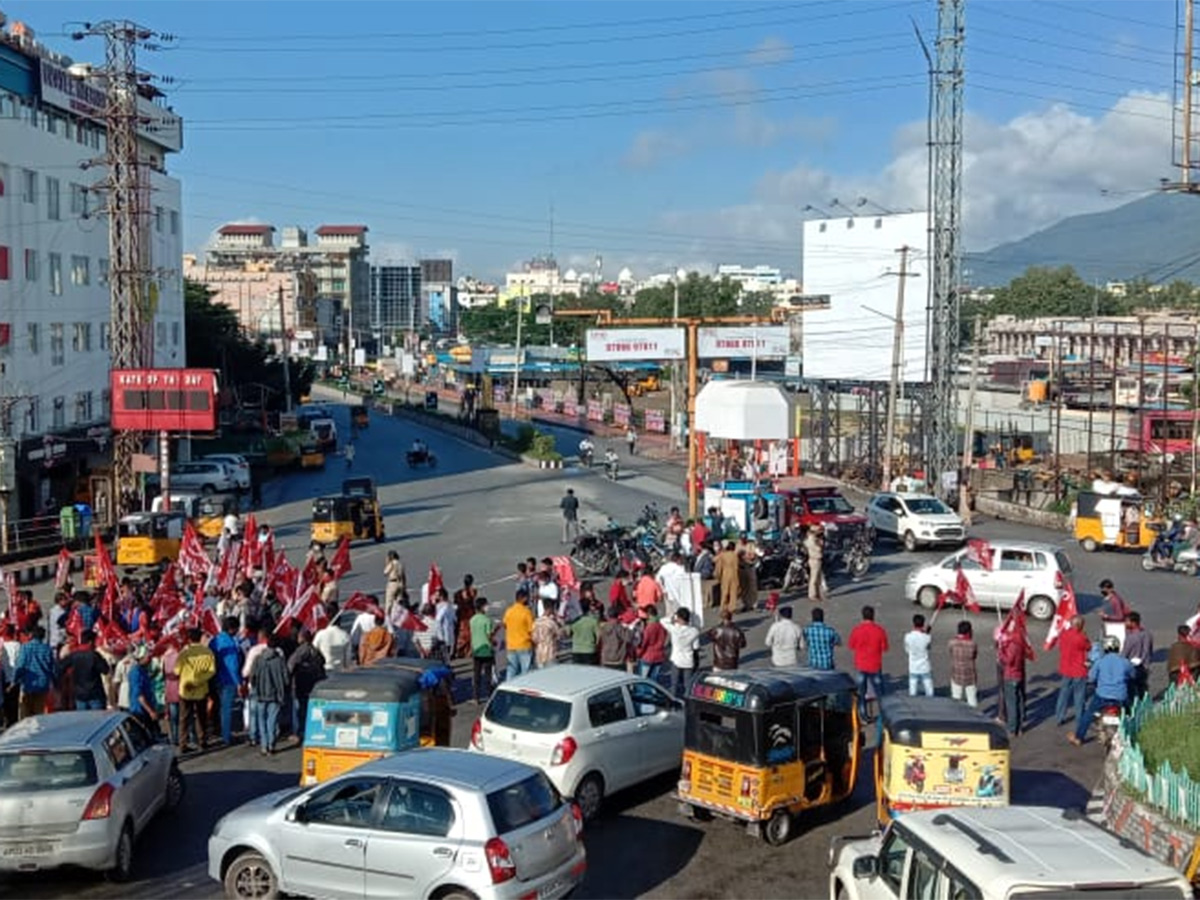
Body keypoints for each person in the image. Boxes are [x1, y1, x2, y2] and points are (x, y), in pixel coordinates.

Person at [1069, 636, 1134, 746]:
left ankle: (1079, 737)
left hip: (1102, 696)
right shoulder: (1125, 662)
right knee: (1129, 713)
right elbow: (1133, 675)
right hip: (1120, 697)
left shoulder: (1100, 662)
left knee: (1088, 715)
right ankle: (1132, 735)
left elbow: (1091, 677)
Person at [176, 628, 216, 751]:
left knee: (184, 718)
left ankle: (182, 743)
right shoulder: (208, 652)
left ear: (189, 639)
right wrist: (198, 681)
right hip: (201, 689)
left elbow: (176, 671)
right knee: (201, 717)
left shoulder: (184, 653)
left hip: (185, 689)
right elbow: (211, 671)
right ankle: (202, 740)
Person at [250, 633, 290, 756]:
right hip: (276, 695)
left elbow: (252, 677)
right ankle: (271, 745)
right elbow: (286, 679)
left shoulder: (258, 659)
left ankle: (264, 745)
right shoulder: (280, 660)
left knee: (261, 720)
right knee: (272, 720)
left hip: (260, 694)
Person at [848, 606, 889, 720]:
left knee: (861, 692)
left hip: (861, 665)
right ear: (873, 616)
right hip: (875, 665)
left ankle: (863, 715)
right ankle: (883, 714)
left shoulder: (857, 630)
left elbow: (851, 645)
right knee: (880, 693)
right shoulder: (880, 630)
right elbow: (885, 648)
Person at [209, 616, 243, 746]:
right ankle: (226, 736)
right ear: (232, 629)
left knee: (220, 708)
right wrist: (238, 682)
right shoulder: (231, 643)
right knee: (226, 709)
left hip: (216, 678)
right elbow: (233, 666)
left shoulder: (215, 640)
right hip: (229, 680)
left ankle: (222, 732)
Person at [288, 629, 326, 739]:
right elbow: (323, 661)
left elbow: (290, 665)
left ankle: (298, 731)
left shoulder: (300, 651)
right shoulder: (315, 650)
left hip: (301, 683)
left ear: (302, 638)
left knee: (299, 708)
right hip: (313, 683)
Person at [1054, 615, 1091, 725]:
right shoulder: (1081, 637)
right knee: (1079, 696)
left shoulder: (1064, 634)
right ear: (1080, 626)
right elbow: (1088, 647)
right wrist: (1085, 635)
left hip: (1066, 668)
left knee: (1063, 694)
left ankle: (1059, 717)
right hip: (1079, 669)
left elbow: (1060, 646)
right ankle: (1080, 718)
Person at [61, 629, 110, 711]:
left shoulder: (74, 655)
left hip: (79, 695)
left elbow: (61, 667)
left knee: (83, 721)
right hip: (95, 694)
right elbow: (105, 670)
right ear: (91, 642)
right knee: (97, 721)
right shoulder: (95, 656)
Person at [998, 626, 1034, 736]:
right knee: (1019, 701)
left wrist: (1001, 652)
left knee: (1011, 704)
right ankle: (1020, 727)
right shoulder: (1021, 643)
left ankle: (1013, 728)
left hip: (1011, 675)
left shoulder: (1012, 646)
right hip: (1019, 675)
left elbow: (1008, 661)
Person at [14, 627, 56, 720]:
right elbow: (52, 667)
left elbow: (21, 664)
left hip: (28, 683)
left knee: (25, 713)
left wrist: (15, 679)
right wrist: (55, 682)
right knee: (38, 713)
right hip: (43, 684)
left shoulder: (25, 647)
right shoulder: (47, 649)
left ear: (32, 635)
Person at [662, 608, 700, 698]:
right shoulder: (694, 631)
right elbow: (695, 647)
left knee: (674, 684)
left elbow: (662, 621)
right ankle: (687, 703)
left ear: (679, 618)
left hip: (676, 659)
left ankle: (673, 703)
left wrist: (673, 618)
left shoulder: (674, 629)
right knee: (688, 685)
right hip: (688, 660)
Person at [503, 590, 536, 679]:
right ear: (523, 598)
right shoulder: (526, 612)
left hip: (511, 645)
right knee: (525, 673)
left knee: (511, 671)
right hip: (524, 645)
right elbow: (531, 630)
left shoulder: (509, 611)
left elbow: (505, 624)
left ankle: (508, 689)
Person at [1121, 610, 1153, 701]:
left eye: (1127, 621)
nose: (1125, 623)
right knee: (1142, 689)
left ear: (1133, 623)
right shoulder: (1147, 634)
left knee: (1131, 691)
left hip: (1131, 667)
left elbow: (1124, 654)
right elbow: (1148, 650)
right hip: (1144, 666)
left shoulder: (1131, 638)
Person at [469, 598, 497, 703]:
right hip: (486, 649)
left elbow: (473, 634)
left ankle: (476, 697)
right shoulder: (487, 620)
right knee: (488, 674)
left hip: (476, 649)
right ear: (482, 607)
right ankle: (490, 695)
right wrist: (494, 642)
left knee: (476, 675)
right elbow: (489, 636)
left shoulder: (472, 620)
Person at [126, 644, 159, 728]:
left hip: (146, 708)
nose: (150, 659)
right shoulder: (136, 673)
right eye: (148, 657)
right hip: (139, 711)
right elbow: (139, 695)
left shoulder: (144, 670)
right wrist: (150, 711)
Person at [313, 602, 352, 672]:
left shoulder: (320, 635)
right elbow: (347, 662)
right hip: (340, 673)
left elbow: (313, 654)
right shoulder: (345, 636)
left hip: (324, 672)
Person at [948, 620, 979, 707]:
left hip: (956, 673)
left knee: (956, 698)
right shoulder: (972, 644)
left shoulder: (952, 643)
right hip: (970, 674)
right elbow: (974, 656)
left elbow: (951, 653)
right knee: (972, 699)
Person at [636, 606, 668, 683]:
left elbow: (644, 643)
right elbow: (665, 638)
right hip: (659, 656)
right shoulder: (661, 626)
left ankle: (643, 694)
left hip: (647, 656)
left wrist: (638, 653)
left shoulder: (649, 628)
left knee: (643, 680)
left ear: (648, 614)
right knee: (654, 680)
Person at [904, 614, 934, 697]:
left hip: (913, 666)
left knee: (912, 691)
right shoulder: (927, 637)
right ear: (923, 624)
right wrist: (926, 634)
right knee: (929, 691)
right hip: (925, 666)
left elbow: (907, 650)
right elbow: (929, 647)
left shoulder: (908, 636)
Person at [531, 598, 565, 669]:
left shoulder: (536, 622)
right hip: (550, 653)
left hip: (539, 654)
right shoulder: (551, 623)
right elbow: (560, 635)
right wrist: (559, 622)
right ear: (550, 609)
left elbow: (534, 638)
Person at [714, 541, 741, 616]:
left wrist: (718, 575)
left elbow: (719, 567)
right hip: (734, 574)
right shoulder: (734, 555)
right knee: (733, 591)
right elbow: (736, 567)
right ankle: (732, 607)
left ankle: (723, 607)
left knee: (725, 592)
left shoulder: (722, 555)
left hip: (725, 575)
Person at [805, 526, 827, 602]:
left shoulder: (814, 539)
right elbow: (818, 549)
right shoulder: (811, 540)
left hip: (816, 559)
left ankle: (818, 594)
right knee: (814, 579)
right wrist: (820, 543)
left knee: (818, 579)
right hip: (814, 560)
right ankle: (812, 595)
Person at [383, 551, 406, 616]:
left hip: (392, 583)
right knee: (399, 602)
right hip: (400, 583)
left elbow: (385, 572)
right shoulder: (400, 563)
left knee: (389, 603)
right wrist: (404, 586)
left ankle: (388, 617)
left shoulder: (392, 563)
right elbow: (403, 575)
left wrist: (387, 563)